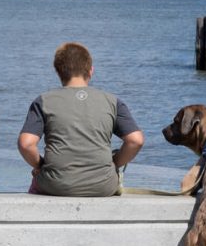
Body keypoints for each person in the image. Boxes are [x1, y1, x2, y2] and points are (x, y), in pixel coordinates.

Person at [17, 42, 144, 197]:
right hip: (104, 186)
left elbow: (26, 144)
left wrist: (40, 165)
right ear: (91, 71)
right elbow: (135, 140)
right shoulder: (112, 101)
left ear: (58, 71)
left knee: (36, 182)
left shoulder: (43, 101)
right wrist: (114, 164)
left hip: (55, 184)